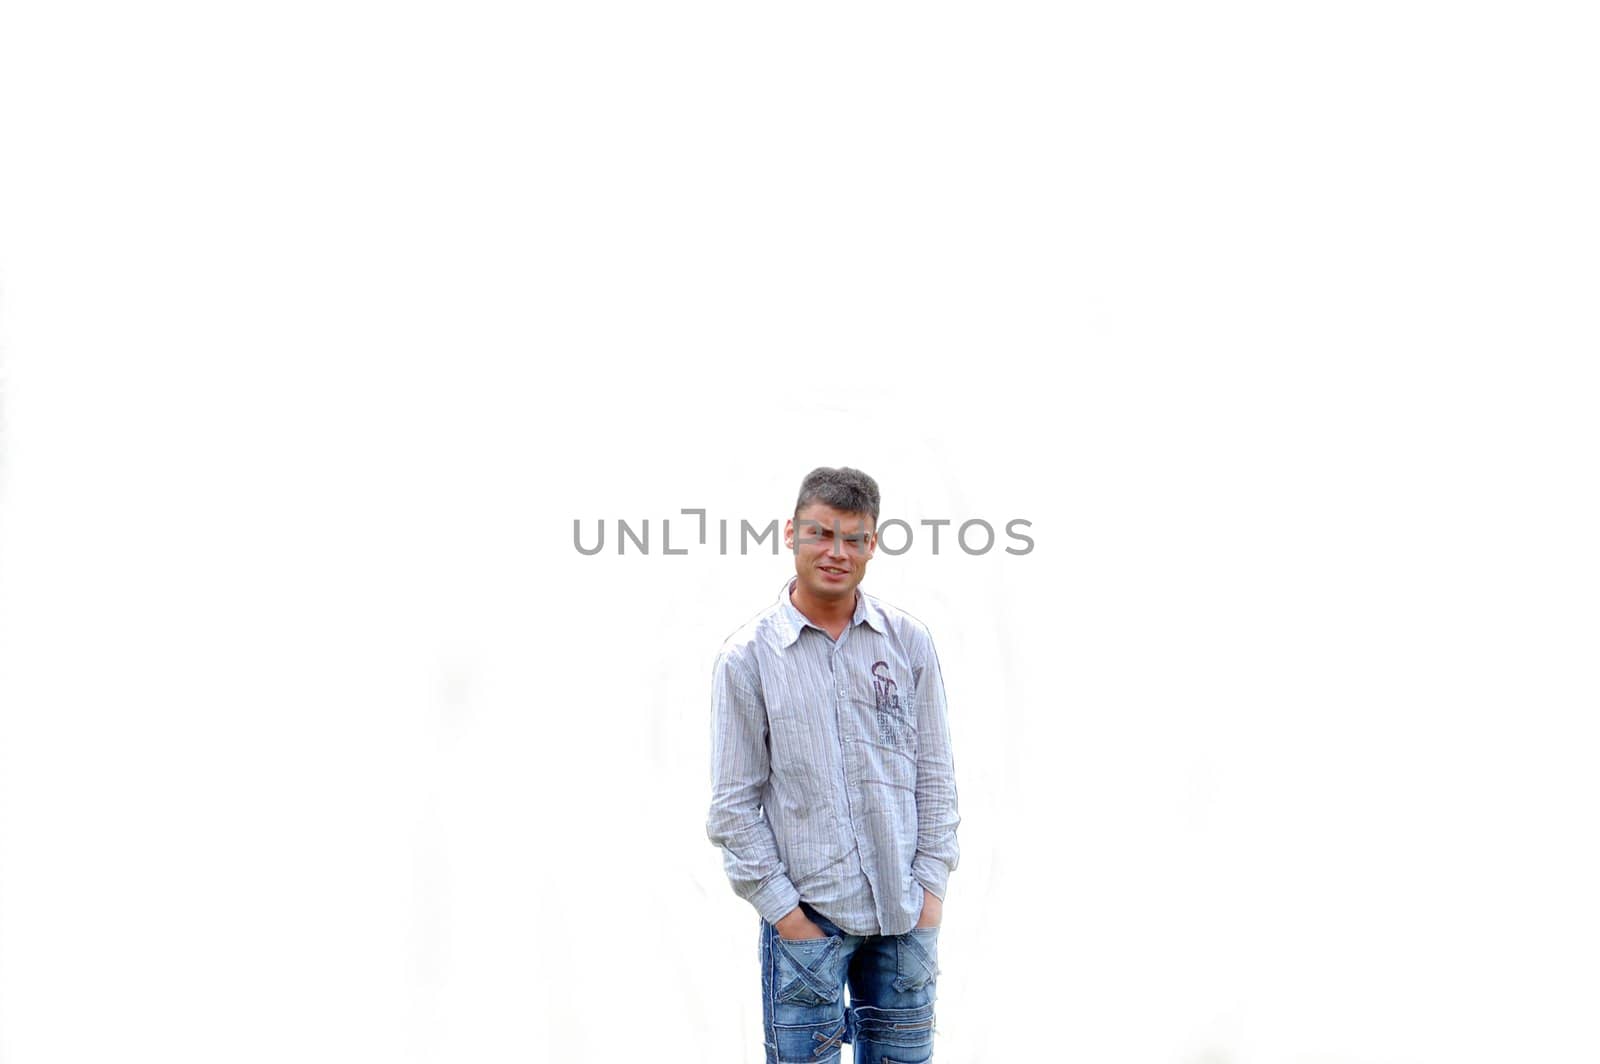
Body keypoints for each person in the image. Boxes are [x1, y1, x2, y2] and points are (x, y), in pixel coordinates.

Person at [706, 466, 961, 1064]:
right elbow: (733, 805)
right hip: (807, 924)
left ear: (873, 544)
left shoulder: (908, 644)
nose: (836, 552)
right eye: (821, 533)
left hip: (904, 917)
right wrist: (787, 915)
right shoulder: (748, 660)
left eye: (853, 538)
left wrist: (931, 890)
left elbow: (935, 775)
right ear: (791, 533)